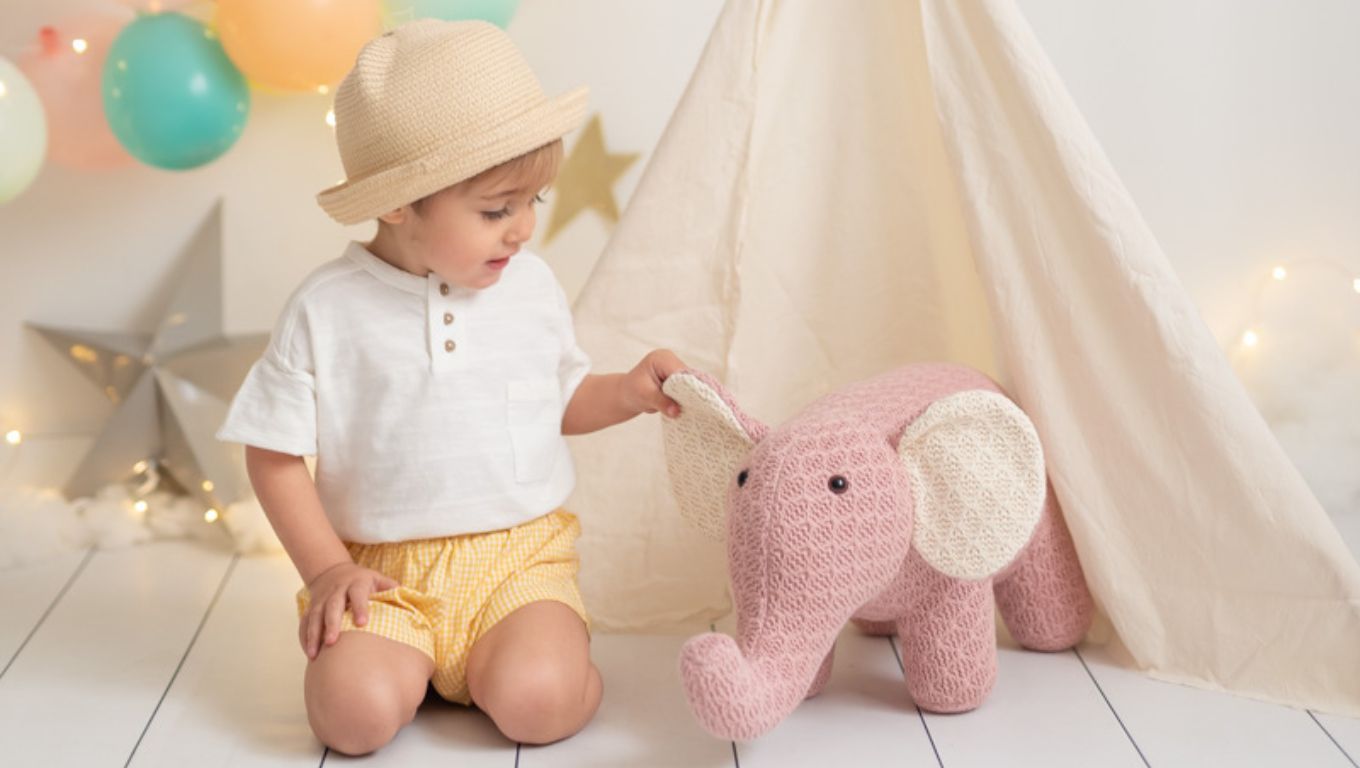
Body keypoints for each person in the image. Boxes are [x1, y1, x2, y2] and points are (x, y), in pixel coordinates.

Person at [217, 19, 685, 755]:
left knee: (542, 703)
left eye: (536, 201)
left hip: (517, 563)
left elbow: (557, 400)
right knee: (352, 718)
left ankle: (537, 662)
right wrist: (329, 568)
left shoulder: (529, 288)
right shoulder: (328, 309)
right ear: (399, 203)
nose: (523, 229)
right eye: (497, 209)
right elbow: (271, 453)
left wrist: (627, 393)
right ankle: (408, 663)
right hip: (381, 572)